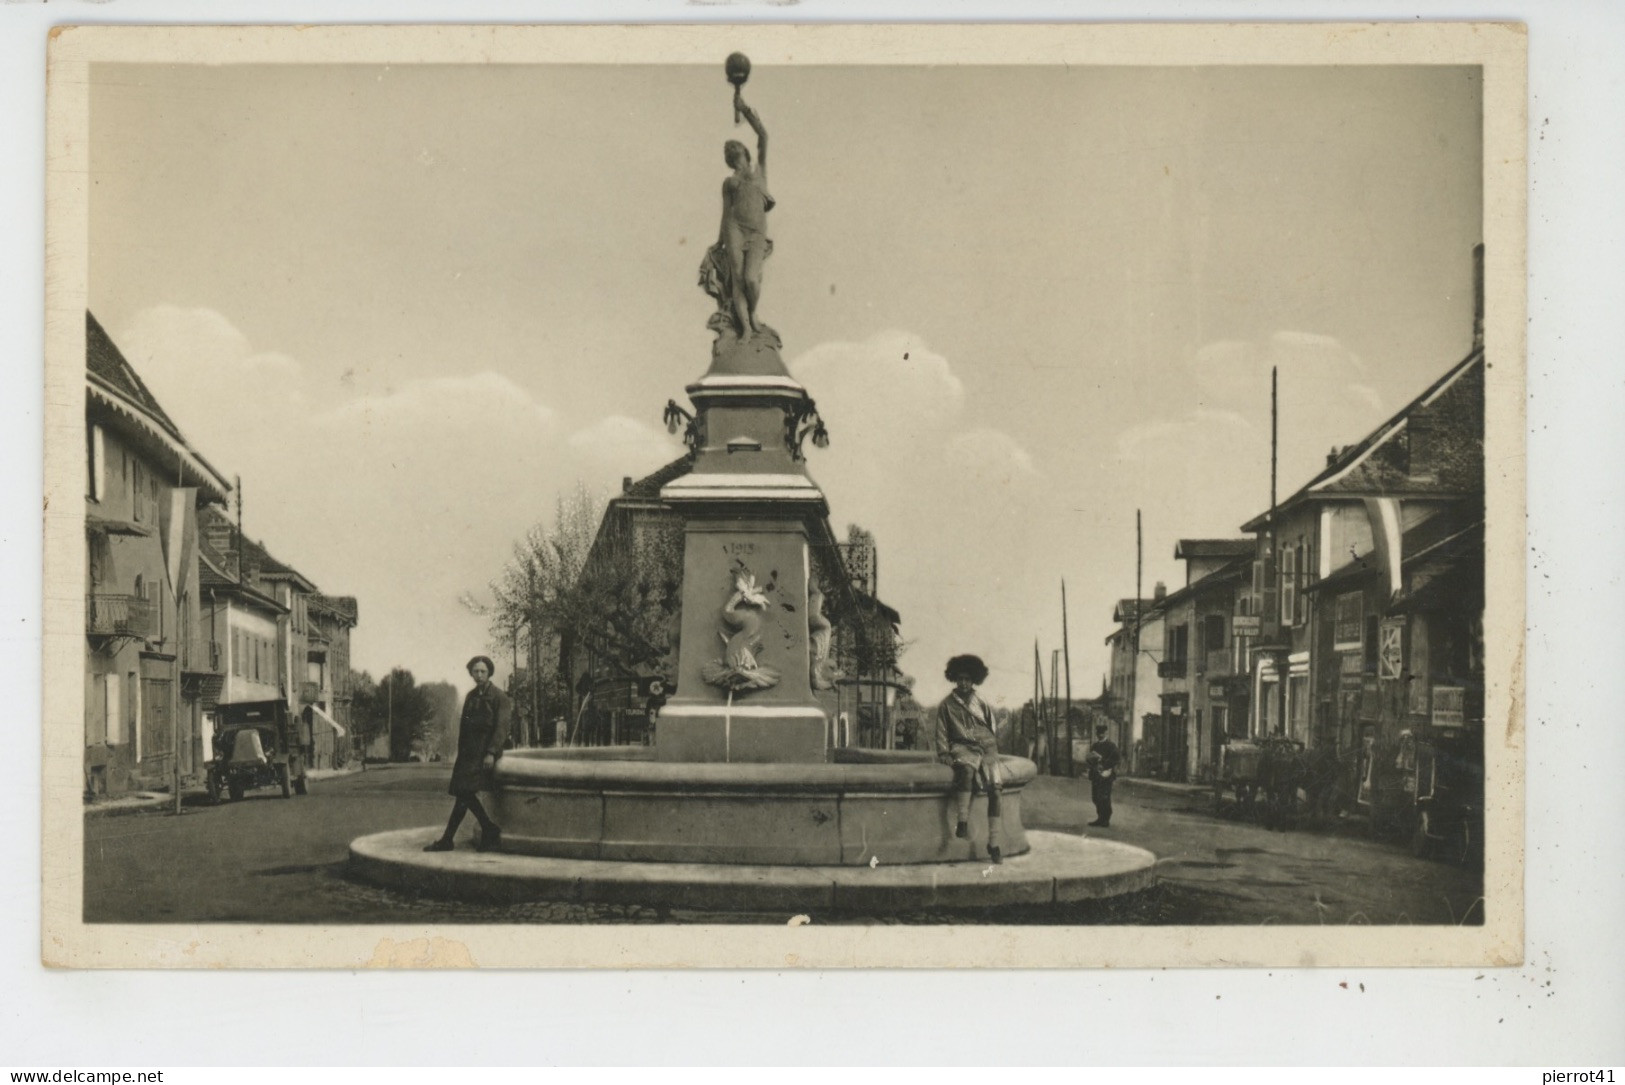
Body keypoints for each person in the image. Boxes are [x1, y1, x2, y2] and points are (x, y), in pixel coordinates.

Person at [423, 655, 512, 853]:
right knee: (463, 794)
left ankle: (455, 838)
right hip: (468, 754)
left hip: (484, 753)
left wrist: (490, 753)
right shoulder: (471, 696)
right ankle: (484, 830)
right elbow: (464, 727)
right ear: (471, 673)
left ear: (489, 673)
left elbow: (501, 729)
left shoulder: (500, 698)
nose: (479, 675)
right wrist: (460, 753)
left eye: (483, 671)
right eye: (475, 671)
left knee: (464, 793)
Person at [711, 87, 774, 339]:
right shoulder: (729, 182)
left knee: (751, 279)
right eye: (729, 153)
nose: (732, 153)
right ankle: (746, 328)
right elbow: (726, 213)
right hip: (734, 230)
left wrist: (744, 108)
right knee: (737, 278)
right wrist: (719, 241)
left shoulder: (759, 171)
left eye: (735, 149)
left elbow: (764, 136)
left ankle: (753, 313)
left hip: (757, 231)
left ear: (744, 153)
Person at [933, 654, 1006, 864]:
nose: (964, 683)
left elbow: (991, 725)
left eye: (968, 679)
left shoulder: (980, 700)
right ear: (954, 679)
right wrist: (944, 752)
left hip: (985, 747)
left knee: (997, 791)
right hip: (962, 746)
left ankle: (994, 843)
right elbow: (941, 731)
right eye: (960, 679)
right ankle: (962, 820)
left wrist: (990, 747)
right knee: (965, 771)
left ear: (974, 680)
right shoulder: (947, 704)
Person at [1085, 723, 1121, 828]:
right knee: (1095, 798)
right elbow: (1090, 760)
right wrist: (1090, 760)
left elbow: (1116, 759)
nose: (1100, 735)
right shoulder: (1095, 746)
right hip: (1096, 775)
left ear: (1106, 733)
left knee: (1104, 797)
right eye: (1098, 733)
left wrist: (1102, 760)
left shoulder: (1111, 746)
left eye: (1102, 733)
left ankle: (1106, 819)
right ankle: (1100, 818)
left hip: (1106, 775)